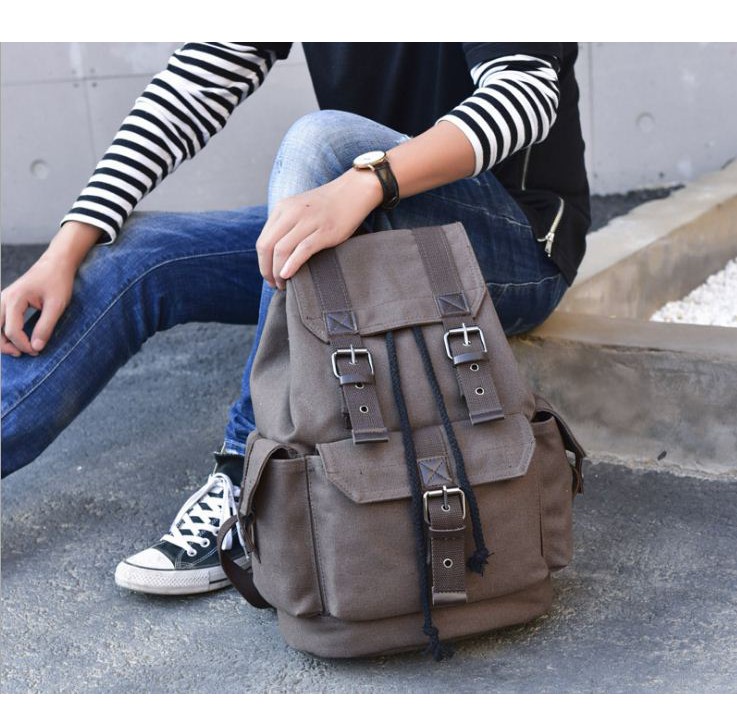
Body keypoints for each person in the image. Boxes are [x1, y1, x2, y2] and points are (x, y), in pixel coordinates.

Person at [1, 42, 590, 596]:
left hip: (508, 248)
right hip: (365, 208)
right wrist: (64, 248)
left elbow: (525, 95)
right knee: (139, 255)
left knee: (321, 139)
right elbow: (192, 86)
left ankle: (252, 481)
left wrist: (368, 182)